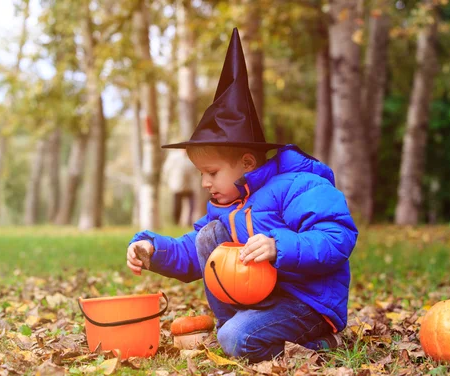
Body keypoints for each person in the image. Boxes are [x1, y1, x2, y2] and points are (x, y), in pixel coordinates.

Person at [126, 28, 358, 363]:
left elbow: (338, 237)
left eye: (213, 172)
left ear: (247, 162)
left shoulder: (298, 185)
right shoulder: (228, 202)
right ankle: (234, 326)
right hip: (263, 297)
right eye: (201, 174)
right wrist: (153, 250)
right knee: (210, 235)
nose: (205, 183)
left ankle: (324, 343)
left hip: (306, 303)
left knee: (238, 340)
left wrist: (279, 246)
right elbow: (196, 251)